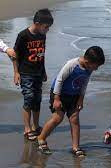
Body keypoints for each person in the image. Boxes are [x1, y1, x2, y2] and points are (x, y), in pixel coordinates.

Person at [37, 46, 105, 156]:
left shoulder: (89, 69)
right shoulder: (72, 65)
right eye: (95, 66)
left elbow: (84, 83)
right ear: (87, 61)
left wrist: (81, 99)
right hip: (59, 94)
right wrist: (56, 99)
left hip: (75, 95)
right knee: (57, 118)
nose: (96, 69)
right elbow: (59, 80)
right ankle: (41, 138)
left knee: (74, 119)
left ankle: (75, 147)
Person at [12, 9, 53, 141]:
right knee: (29, 98)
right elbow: (15, 54)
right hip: (25, 72)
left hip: (38, 72)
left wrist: (44, 71)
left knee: (37, 99)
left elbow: (42, 55)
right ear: (37, 23)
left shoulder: (42, 35)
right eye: (46, 27)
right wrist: (16, 72)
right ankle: (27, 128)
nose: (47, 30)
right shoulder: (23, 35)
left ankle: (36, 126)